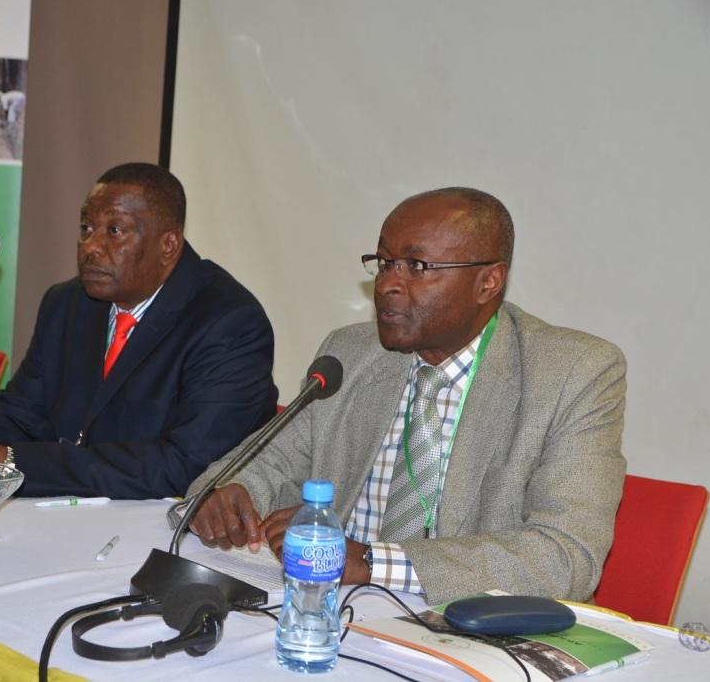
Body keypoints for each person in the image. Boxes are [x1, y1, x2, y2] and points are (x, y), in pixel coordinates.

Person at [186, 187, 626, 605]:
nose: (387, 285)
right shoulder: (351, 354)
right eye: (384, 262)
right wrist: (228, 492)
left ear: (488, 282)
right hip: (336, 613)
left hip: (474, 630)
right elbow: (272, 462)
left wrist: (372, 562)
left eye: (416, 266)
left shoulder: (573, 372)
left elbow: (566, 555)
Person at [0, 162, 278, 499]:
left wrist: (10, 461)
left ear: (168, 246)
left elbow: (183, 465)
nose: (90, 247)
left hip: (165, 535)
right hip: (73, 516)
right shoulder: (67, 304)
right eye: (85, 227)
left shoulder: (228, 323)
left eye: (114, 231)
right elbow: (22, 411)